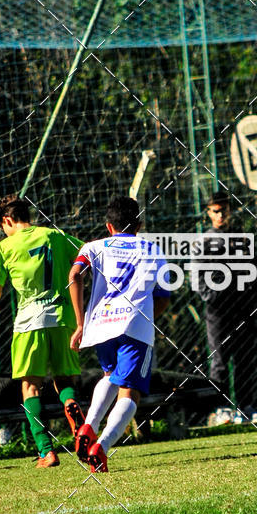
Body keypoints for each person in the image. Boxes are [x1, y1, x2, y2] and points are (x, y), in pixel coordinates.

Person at [0, 195, 85, 468]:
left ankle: (46, 451)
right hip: (62, 319)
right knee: (64, 380)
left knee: (30, 386)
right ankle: (76, 420)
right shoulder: (56, 235)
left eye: (3, 227)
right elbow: (84, 259)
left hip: (29, 323)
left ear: (7, 221)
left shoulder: (5, 247)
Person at [69, 195, 170, 473]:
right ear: (139, 225)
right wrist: (147, 319)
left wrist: (81, 323)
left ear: (109, 226)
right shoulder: (152, 249)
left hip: (101, 324)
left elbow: (75, 276)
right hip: (135, 325)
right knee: (130, 392)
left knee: (109, 376)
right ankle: (100, 448)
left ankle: (88, 426)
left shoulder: (93, 247)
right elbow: (164, 296)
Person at [198, 191, 257, 426]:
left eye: (223, 210)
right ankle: (221, 409)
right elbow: (198, 278)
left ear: (230, 211)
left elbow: (255, 272)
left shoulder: (242, 239)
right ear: (208, 213)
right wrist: (215, 297)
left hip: (243, 309)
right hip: (217, 312)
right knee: (219, 361)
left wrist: (251, 301)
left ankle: (246, 408)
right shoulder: (204, 242)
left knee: (244, 360)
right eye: (215, 211)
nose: (220, 215)